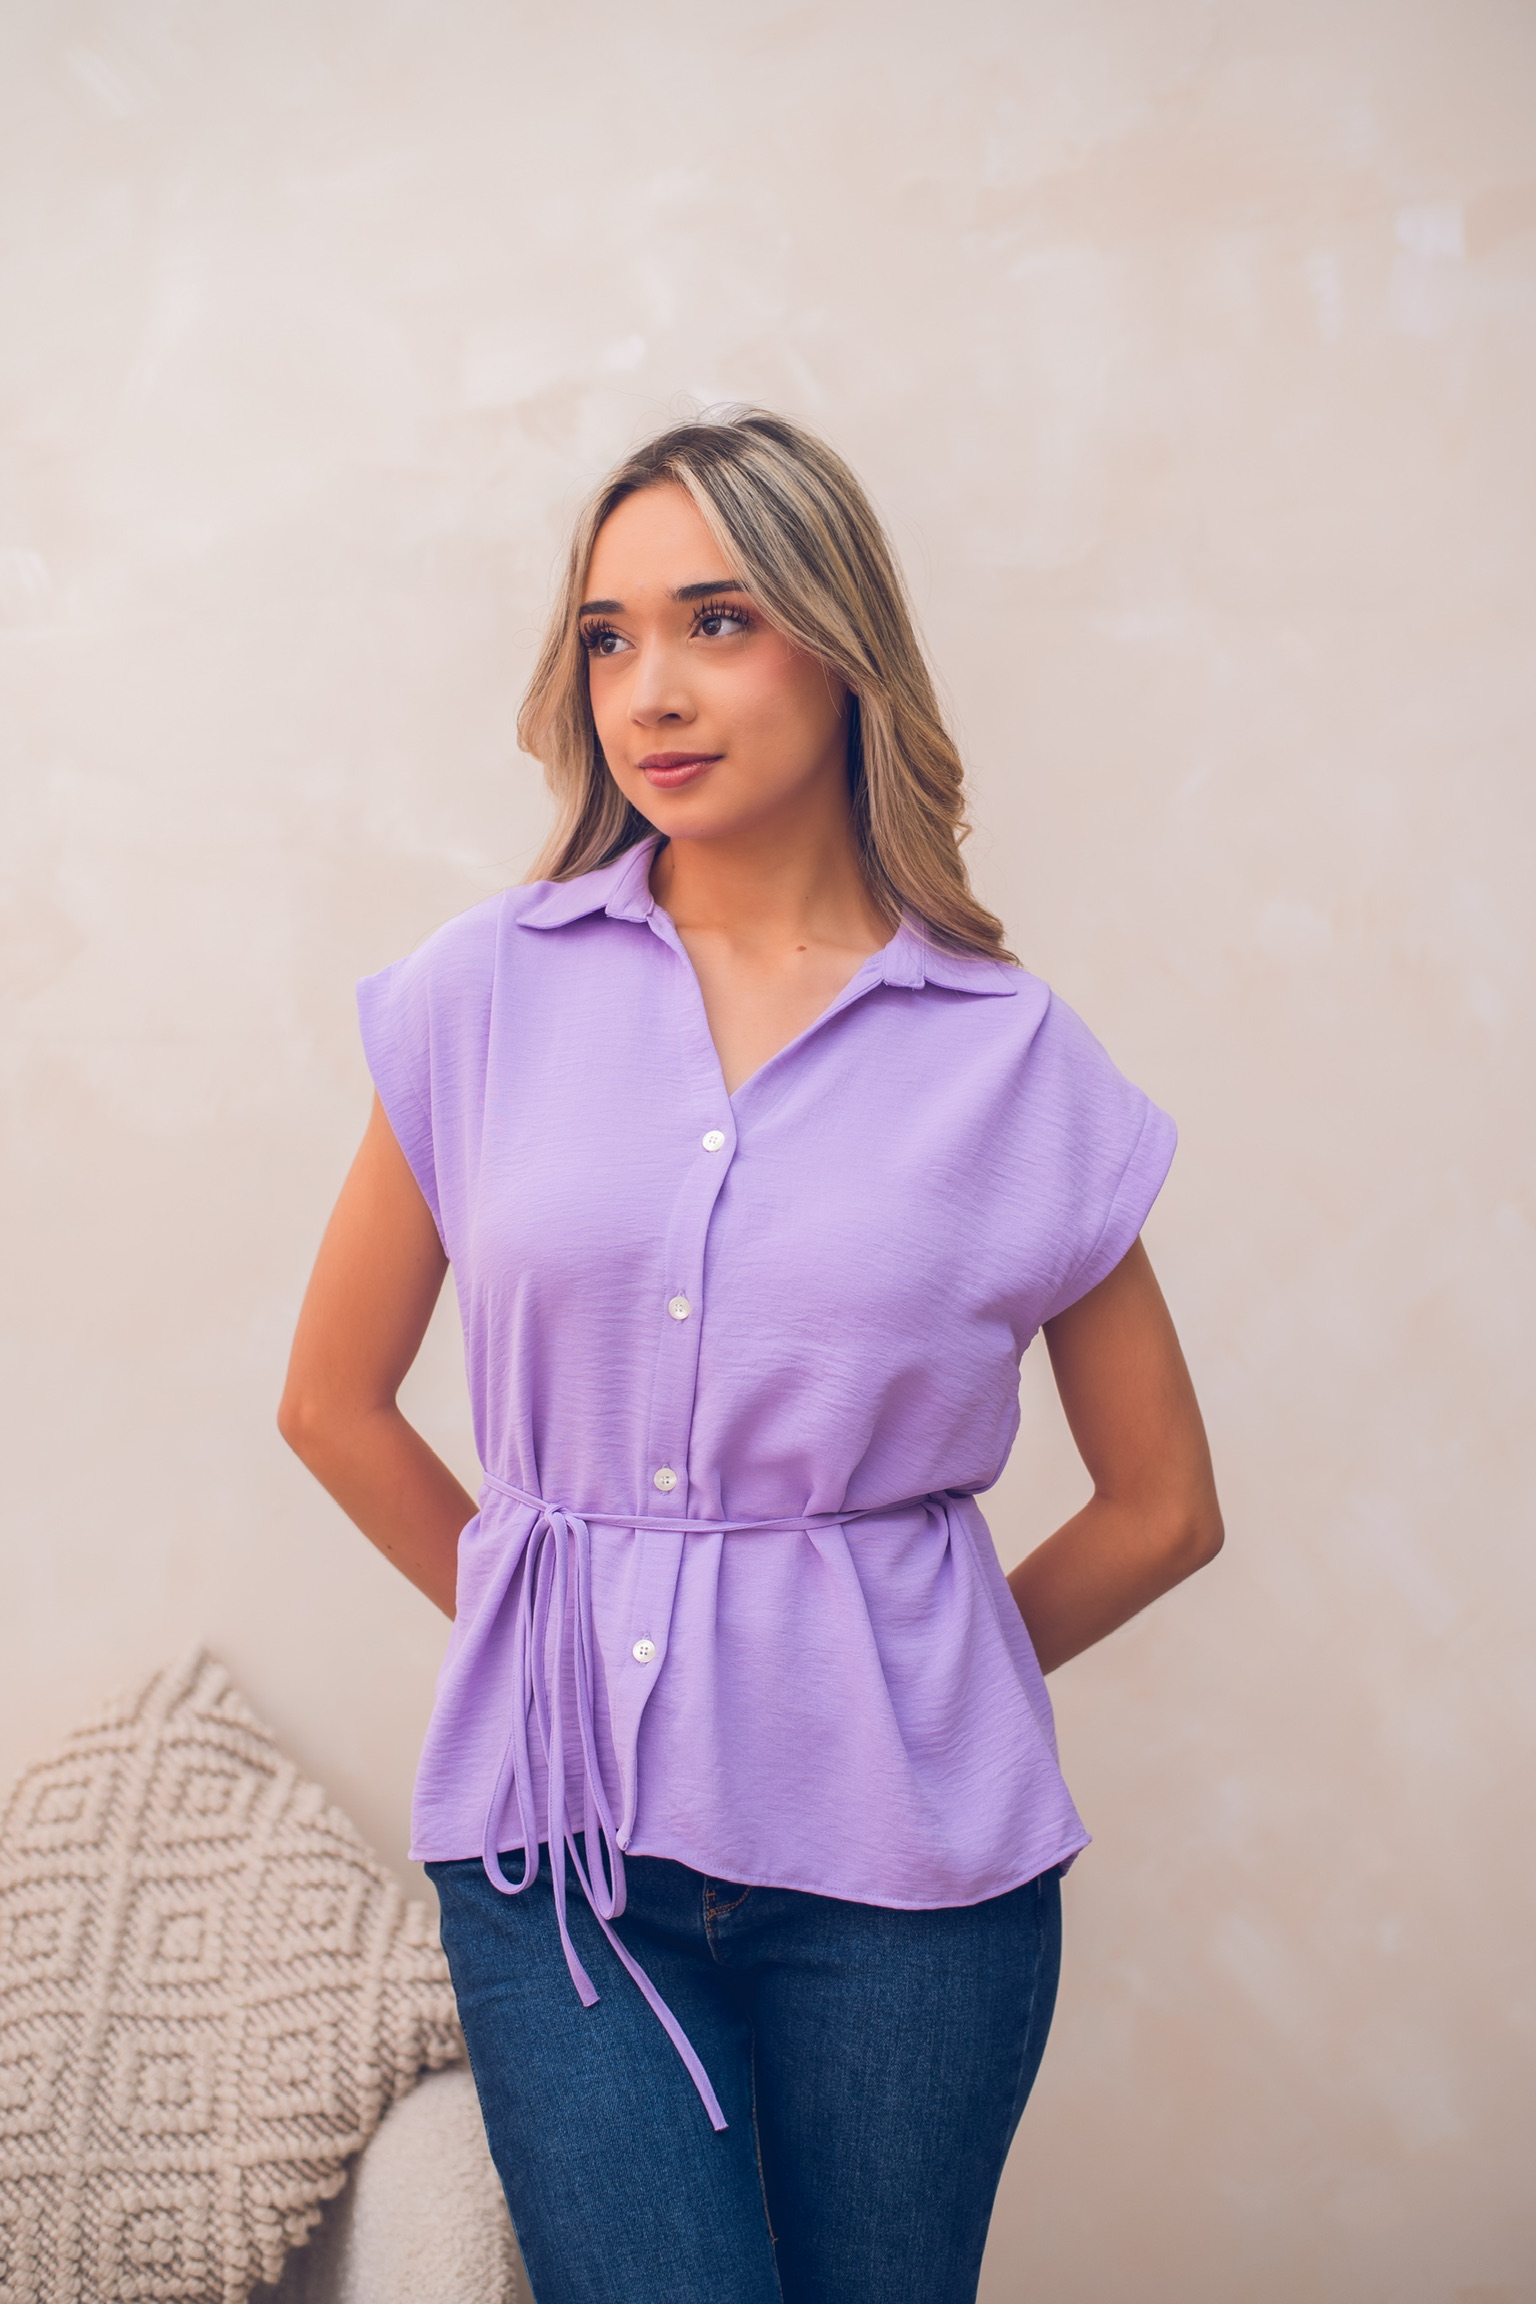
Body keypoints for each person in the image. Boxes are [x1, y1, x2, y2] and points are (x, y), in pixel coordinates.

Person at [278, 408, 1223, 2304]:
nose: (652, 689)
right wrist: (537, 1641)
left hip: (911, 1889)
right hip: (561, 1859)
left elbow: (1163, 1507)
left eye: (717, 621)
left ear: (842, 645)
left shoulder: (1011, 1057)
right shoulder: (483, 992)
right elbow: (332, 1402)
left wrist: (907, 1672)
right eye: (608, 637)